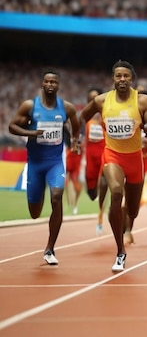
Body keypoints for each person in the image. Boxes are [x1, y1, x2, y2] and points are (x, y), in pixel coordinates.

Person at [80, 60, 147, 272]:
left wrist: (141, 125)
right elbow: (82, 117)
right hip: (112, 155)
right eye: (118, 76)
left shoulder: (143, 102)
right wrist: (76, 138)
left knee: (132, 210)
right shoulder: (101, 101)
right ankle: (120, 252)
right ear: (113, 79)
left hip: (134, 160)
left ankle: (124, 220)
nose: (122, 79)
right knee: (116, 193)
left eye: (126, 76)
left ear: (131, 78)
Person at [8, 69, 80, 265]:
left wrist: (75, 140)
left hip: (55, 163)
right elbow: (12, 126)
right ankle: (36, 200)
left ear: (58, 85)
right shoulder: (30, 106)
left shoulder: (66, 108)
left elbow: (76, 123)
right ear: (42, 84)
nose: (50, 85)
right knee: (35, 212)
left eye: (54, 82)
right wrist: (31, 133)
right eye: (47, 81)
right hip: (35, 164)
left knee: (57, 197)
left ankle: (50, 249)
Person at [83, 87, 108, 235]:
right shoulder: (85, 119)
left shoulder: (106, 115)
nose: (93, 100)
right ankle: (96, 195)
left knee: (105, 185)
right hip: (90, 159)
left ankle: (100, 217)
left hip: (105, 155)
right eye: (90, 98)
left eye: (96, 97)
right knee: (92, 193)